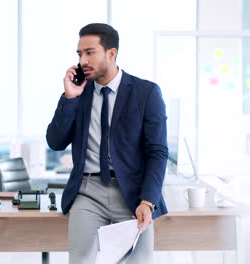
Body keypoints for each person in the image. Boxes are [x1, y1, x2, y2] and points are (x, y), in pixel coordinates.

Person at [46, 23, 168, 264]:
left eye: (90, 52)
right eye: (80, 54)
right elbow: (56, 142)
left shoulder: (146, 93)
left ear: (111, 54)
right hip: (88, 191)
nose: (83, 60)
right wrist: (69, 98)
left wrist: (147, 200)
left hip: (132, 193)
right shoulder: (79, 93)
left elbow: (157, 152)